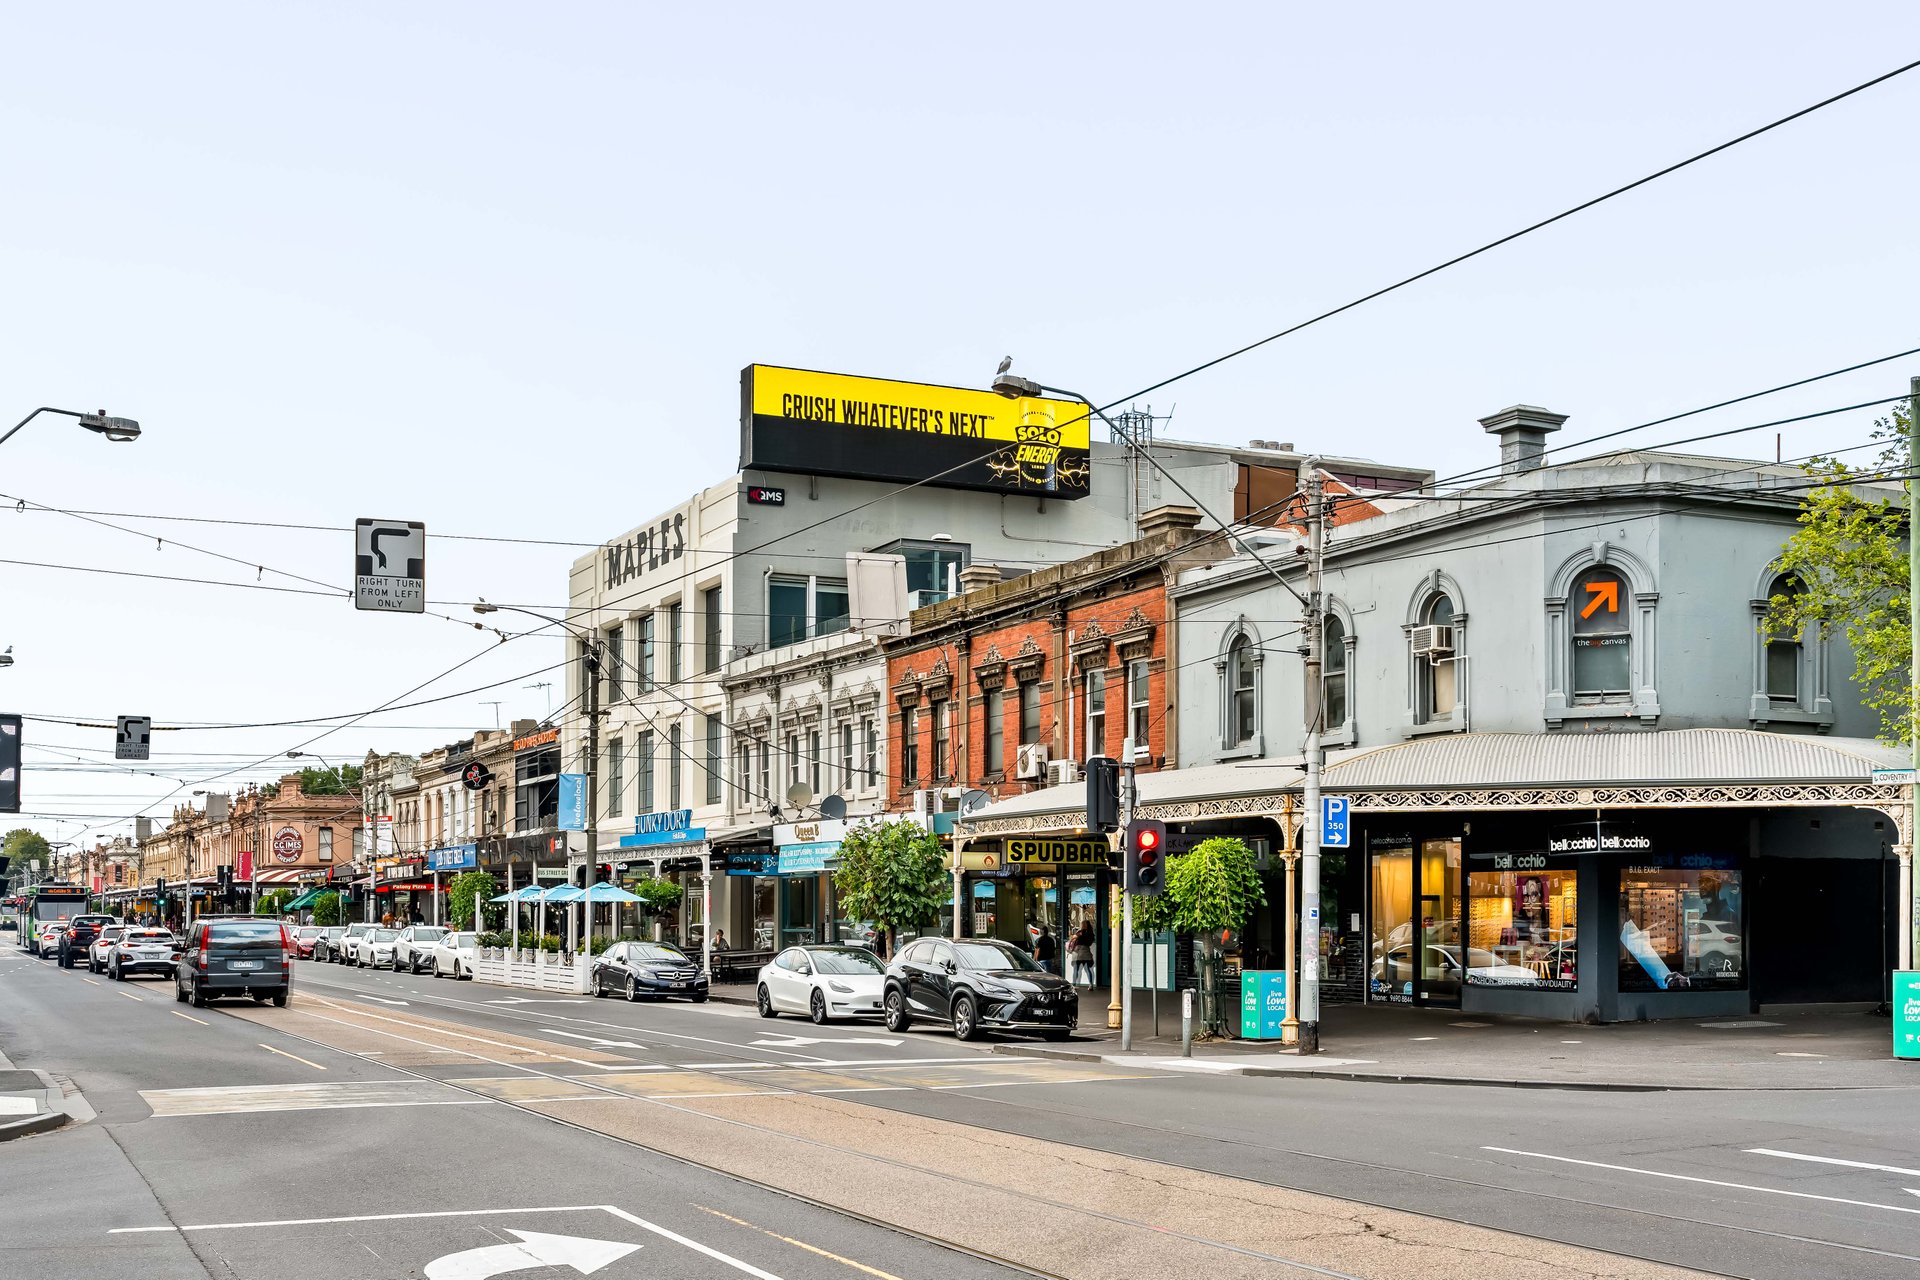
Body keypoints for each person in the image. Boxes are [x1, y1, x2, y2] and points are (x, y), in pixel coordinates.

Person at [1069, 922, 1096, 988]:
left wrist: (1071, 935)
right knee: (1088, 969)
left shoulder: (1081, 932)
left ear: (1083, 925)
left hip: (1078, 952)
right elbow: (1090, 943)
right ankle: (1091, 985)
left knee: (1076, 969)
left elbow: (1073, 938)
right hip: (1086, 951)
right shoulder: (1091, 934)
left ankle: (1074, 984)